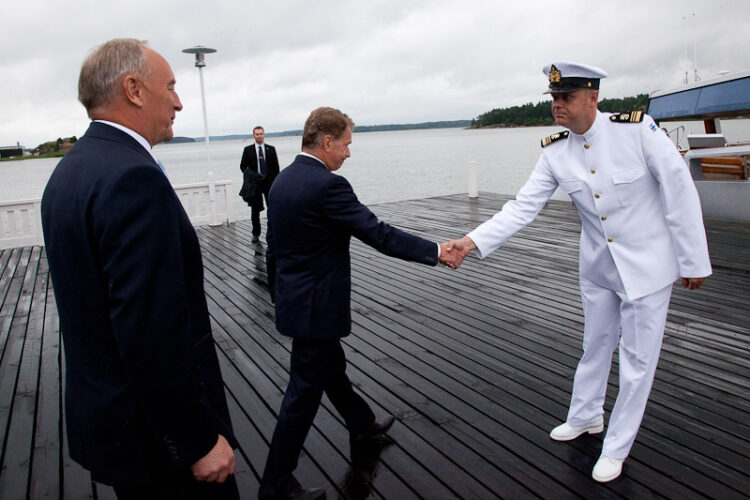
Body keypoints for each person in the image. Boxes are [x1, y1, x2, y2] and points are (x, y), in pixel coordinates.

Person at [448, 61, 712, 482]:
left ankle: (617, 446)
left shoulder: (637, 131)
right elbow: (522, 207)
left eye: (566, 97)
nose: (557, 105)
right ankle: (587, 415)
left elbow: (679, 190)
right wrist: (471, 240)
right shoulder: (555, 150)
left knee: (637, 362)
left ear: (593, 98)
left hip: (647, 268)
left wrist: (693, 259)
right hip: (597, 268)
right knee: (595, 344)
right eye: (554, 98)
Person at [41, 38, 239, 499]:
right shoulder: (134, 177)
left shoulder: (70, 172)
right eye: (169, 86)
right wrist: (196, 441)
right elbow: (151, 330)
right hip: (161, 445)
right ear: (133, 89)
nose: (178, 101)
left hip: (114, 428)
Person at [260, 107, 462, 499]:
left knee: (331, 369)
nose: (348, 154)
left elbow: (274, 249)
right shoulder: (328, 186)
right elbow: (379, 234)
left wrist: (279, 296)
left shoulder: (282, 181)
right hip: (318, 310)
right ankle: (275, 485)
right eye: (347, 144)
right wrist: (437, 251)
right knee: (301, 397)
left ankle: (362, 425)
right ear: (328, 141)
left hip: (296, 305)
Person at [240, 126, 280, 242]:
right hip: (255, 183)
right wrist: (252, 176)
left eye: (261, 134)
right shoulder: (248, 150)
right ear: (253, 135)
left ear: (264, 134)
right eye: (257, 134)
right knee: (255, 210)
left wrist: (276, 182)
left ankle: (272, 231)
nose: (259, 136)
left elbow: (276, 168)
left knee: (271, 208)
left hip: (269, 182)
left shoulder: (271, 149)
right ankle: (256, 233)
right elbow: (243, 166)